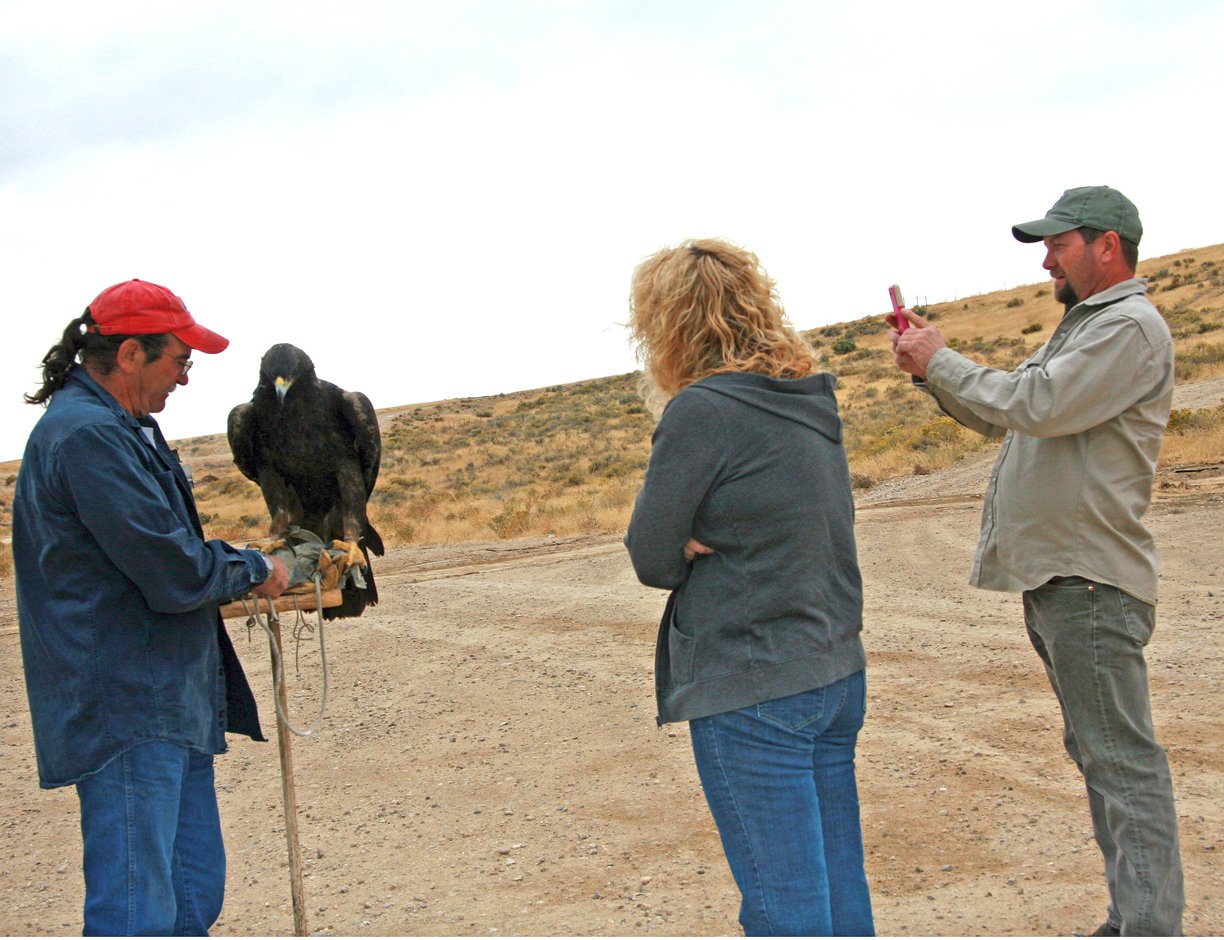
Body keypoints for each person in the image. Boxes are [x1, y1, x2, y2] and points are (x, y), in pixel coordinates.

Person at [889, 186, 1184, 936]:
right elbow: (1011, 411)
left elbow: (1039, 404)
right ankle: (1133, 921)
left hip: (1089, 581)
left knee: (1122, 767)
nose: (1048, 257)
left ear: (1106, 245)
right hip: (1066, 580)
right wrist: (932, 372)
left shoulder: (1128, 328)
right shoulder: (1089, 329)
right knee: (1105, 761)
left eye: (1059, 243)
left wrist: (946, 360)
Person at [13, 278, 290, 936]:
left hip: (164, 698)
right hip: (126, 708)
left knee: (192, 898)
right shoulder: (86, 438)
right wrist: (254, 567)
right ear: (131, 354)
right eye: (180, 361)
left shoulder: (121, 428)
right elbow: (170, 569)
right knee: (136, 913)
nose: (186, 379)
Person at [624, 239, 873, 936]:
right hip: (833, 671)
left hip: (755, 686)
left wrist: (688, 543)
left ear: (668, 324)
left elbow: (649, 554)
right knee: (839, 890)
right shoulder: (810, 398)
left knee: (783, 905)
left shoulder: (702, 411)